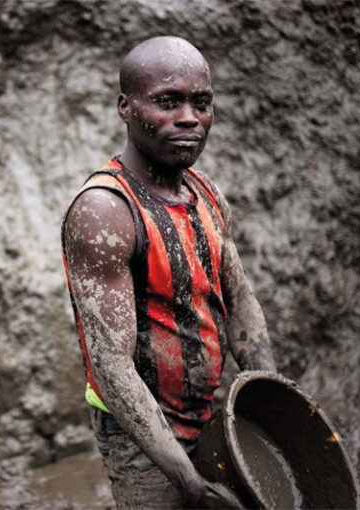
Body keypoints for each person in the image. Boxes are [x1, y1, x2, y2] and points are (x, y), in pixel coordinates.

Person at [60, 36, 277, 509]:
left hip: (207, 411)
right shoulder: (105, 212)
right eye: (167, 102)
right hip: (137, 433)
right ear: (125, 107)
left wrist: (277, 409)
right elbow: (112, 369)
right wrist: (190, 483)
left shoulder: (204, 192)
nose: (188, 118)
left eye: (201, 103)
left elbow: (239, 302)